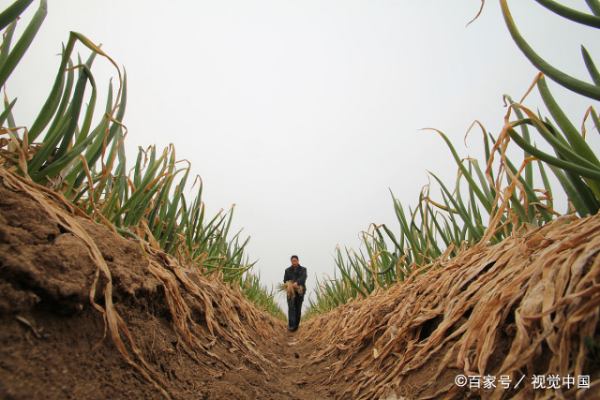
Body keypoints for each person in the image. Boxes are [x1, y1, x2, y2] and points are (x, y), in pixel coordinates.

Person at [283, 255, 307, 332]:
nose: (294, 262)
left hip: (300, 291)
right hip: (290, 291)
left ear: (298, 261)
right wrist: (288, 284)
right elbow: (285, 280)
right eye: (292, 261)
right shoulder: (287, 270)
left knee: (298, 308)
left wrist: (297, 283)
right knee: (291, 307)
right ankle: (291, 326)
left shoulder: (303, 269)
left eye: (295, 261)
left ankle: (296, 326)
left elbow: (303, 278)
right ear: (291, 261)